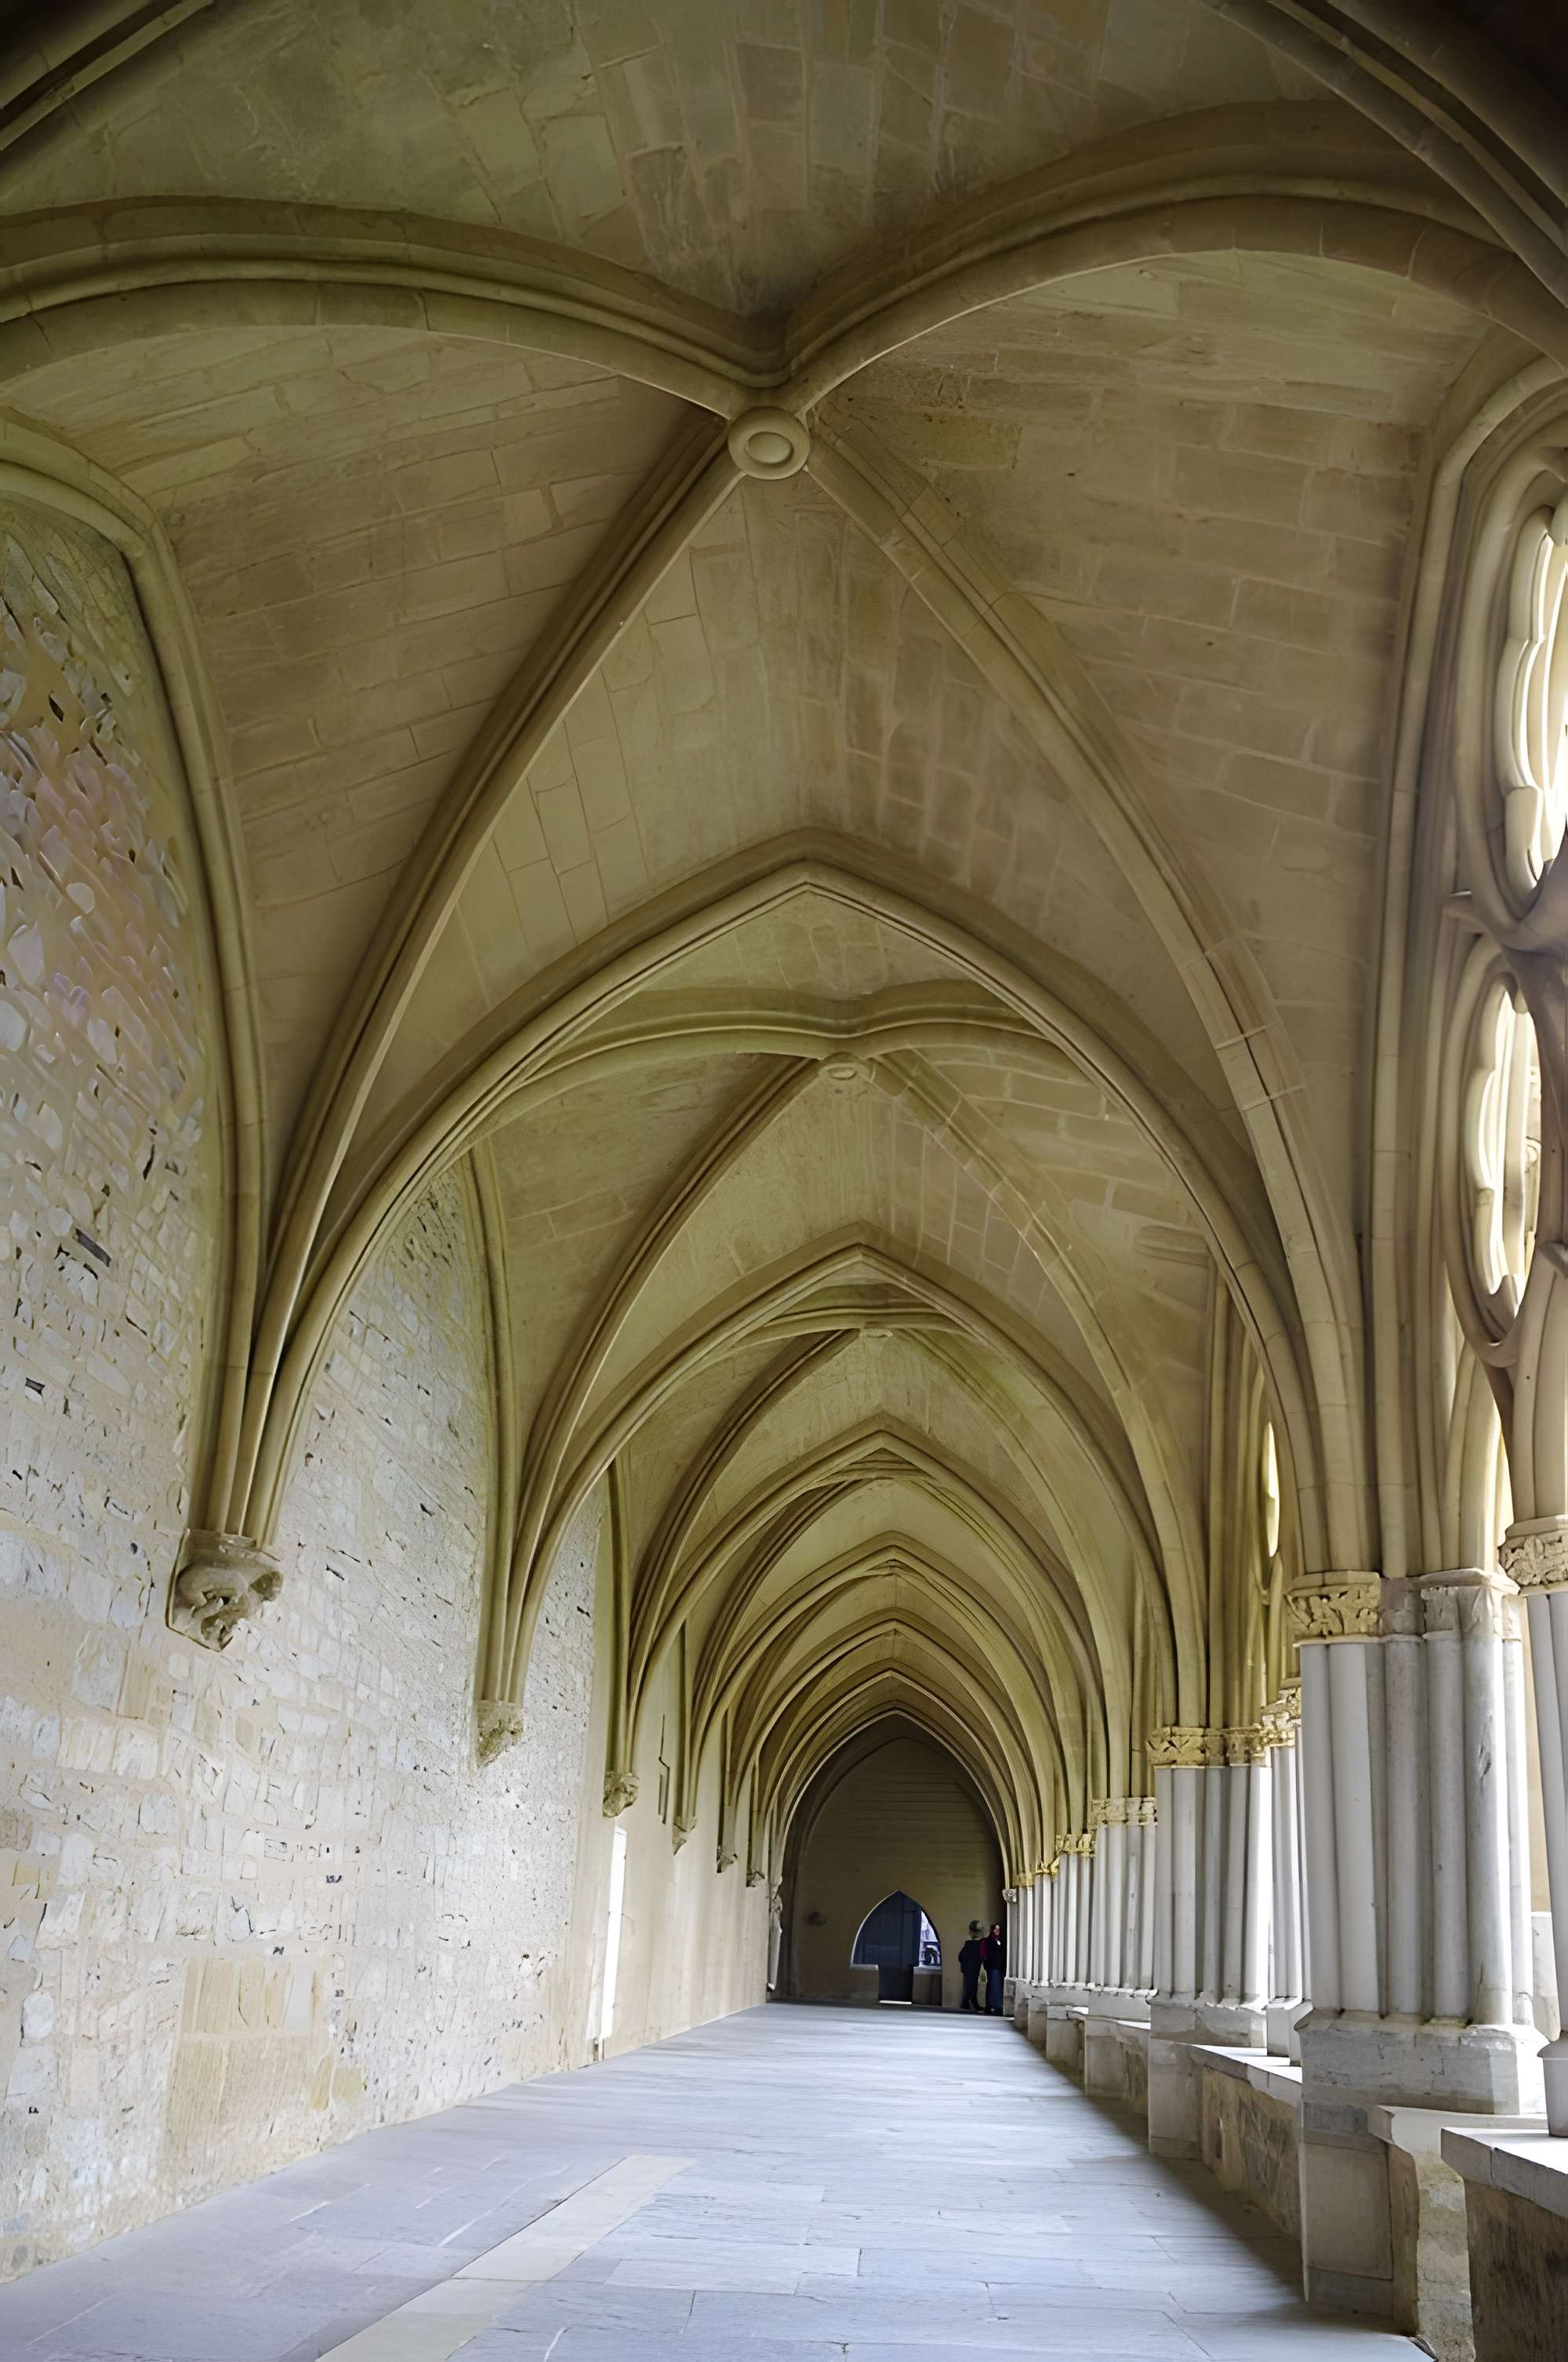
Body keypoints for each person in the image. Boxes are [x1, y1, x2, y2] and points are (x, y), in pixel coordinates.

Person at [957, 1920, 984, 2011]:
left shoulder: (968, 1944)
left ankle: (966, 2003)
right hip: (974, 1967)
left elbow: (960, 1956)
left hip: (967, 1967)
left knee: (968, 1985)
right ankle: (972, 2003)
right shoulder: (979, 1944)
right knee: (972, 1985)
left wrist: (964, 1965)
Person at [982, 1920, 1006, 2015]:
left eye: (998, 1929)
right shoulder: (989, 1941)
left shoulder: (1000, 1940)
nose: (997, 1931)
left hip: (998, 1966)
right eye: (996, 1929)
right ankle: (994, 2006)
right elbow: (989, 1954)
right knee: (994, 1986)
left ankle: (994, 2005)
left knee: (996, 1986)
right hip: (993, 1966)